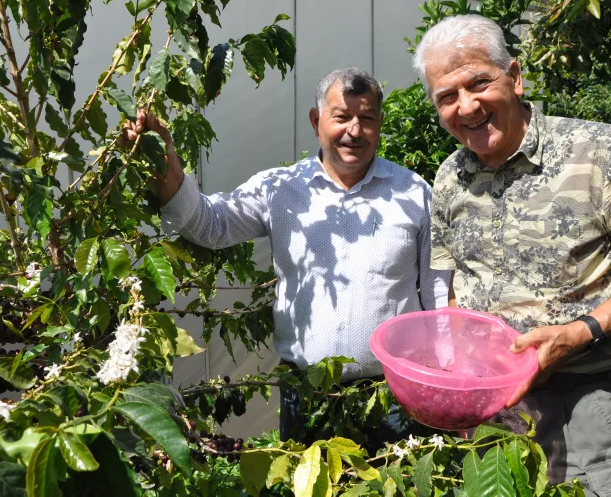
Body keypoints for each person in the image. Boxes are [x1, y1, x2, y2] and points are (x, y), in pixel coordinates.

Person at [414, 15, 611, 496]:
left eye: (479, 83)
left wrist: (580, 332)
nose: (467, 106)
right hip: (494, 411)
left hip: (584, 404)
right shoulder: (448, 178)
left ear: (515, 76)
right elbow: (455, 290)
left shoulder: (597, 150)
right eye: (447, 96)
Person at [119, 68, 449, 450]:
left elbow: (438, 290)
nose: (355, 131)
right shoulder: (280, 189)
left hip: (390, 397)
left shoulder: (414, 194)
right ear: (316, 121)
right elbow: (211, 225)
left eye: (367, 119)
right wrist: (167, 161)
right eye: (342, 117)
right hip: (306, 394)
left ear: (380, 124)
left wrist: (442, 378)